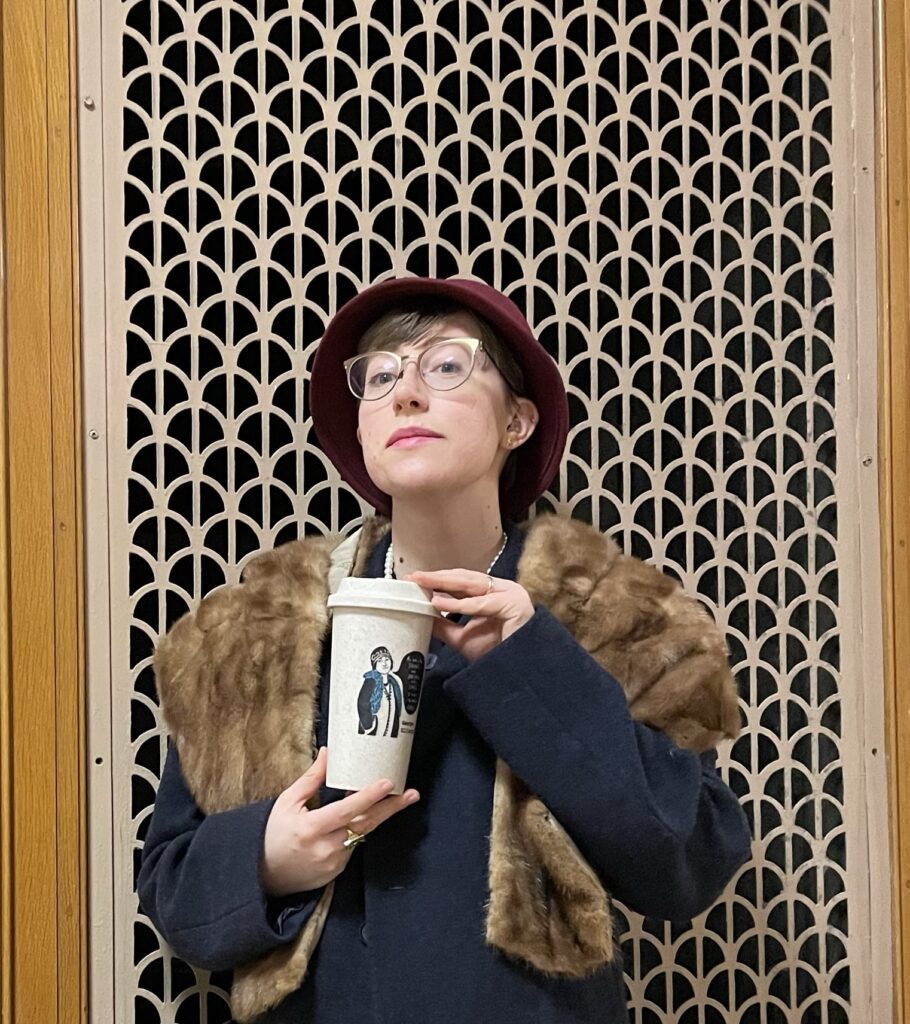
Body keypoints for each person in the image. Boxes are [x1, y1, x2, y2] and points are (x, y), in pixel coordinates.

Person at [138, 277, 752, 1024]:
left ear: (517, 420)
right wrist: (268, 857)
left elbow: (687, 860)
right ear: (359, 431)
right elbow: (171, 887)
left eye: (449, 365)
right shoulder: (254, 634)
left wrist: (530, 662)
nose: (407, 394)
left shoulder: (616, 618)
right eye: (381, 376)